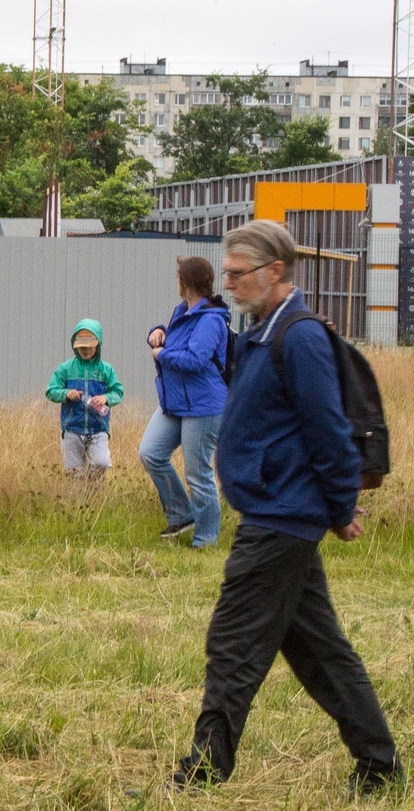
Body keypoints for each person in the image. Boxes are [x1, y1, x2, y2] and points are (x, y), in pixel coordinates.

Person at [170, 220, 402, 798]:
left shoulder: (297, 336)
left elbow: (327, 429)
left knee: (233, 644)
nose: (230, 283)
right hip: (279, 512)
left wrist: (339, 504)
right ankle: (379, 766)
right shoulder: (258, 332)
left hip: (281, 519)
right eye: (225, 273)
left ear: (276, 271)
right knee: (320, 651)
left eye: (238, 273)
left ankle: (202, 771)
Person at [139, 256, 230, 548]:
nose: (176, 281)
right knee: (151, 453)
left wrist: (161, 355)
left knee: (198, 474)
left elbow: (194, 359)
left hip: (203, 406)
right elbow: (176, 341)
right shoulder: (183, 311)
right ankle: (181, 515)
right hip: (176, 401)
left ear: (186, 282)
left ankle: (205, 540)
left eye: (178, 277)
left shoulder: (211, 320)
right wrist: (157, 332)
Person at [45, 319, 124, 476]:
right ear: (75, 345)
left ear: (98, 344)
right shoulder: (65, 368)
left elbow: (118, 392)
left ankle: (92, 490)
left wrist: (106, 398)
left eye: (90, 346)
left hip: (99, 429)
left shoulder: (106, 370)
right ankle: (79, 499)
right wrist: (66, 394)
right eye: (81, 346)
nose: (86, 350)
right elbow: (51, 391)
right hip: (72, 429)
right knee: (75, 474)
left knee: (101, 463)